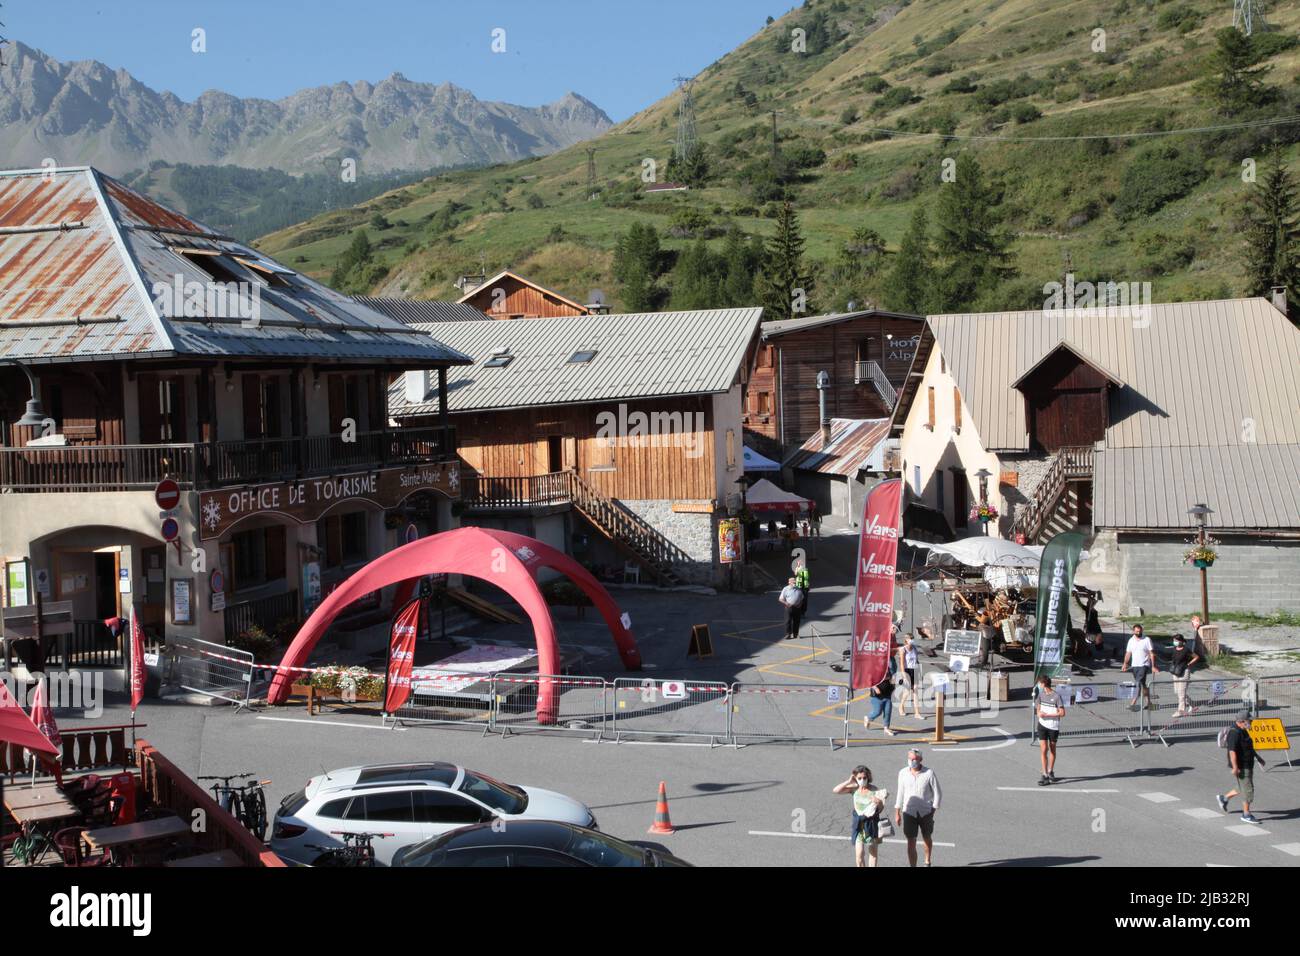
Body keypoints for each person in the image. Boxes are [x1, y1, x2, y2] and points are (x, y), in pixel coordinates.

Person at [832, 766, 888, 867]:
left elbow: (880, 809)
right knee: (859, 854)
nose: (862, 780)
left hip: (871, 824)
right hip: (859, 824)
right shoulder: (854, 789)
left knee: (873, 853)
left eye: (864, 778)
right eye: (859, 778)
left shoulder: (874, 790)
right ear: (855, 778)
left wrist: (879, 802)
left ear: (868, 778)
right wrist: (849, 781)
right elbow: (836, 790)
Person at [894, 748, 941, 867]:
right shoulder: (902, 773)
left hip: (926, 812)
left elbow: (938, 793)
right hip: (909, 812)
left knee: (927, 837)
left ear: (920, 759)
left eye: (914, 759)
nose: (912, 761)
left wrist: (933, 809)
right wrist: (897, 811)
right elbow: (900, 792)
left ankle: (927, 861)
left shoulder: (929, 773)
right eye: (910, 759)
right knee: (911, 841)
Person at [1217, 710, 1265, 824]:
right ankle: (1246, 814)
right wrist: (1235, 767)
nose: (1251, 722)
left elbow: (1248, 746)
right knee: (1248, 790)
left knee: (1242, 786)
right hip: (1242, 765)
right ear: (1241, 721)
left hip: (1248, 763)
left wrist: (1258, 757)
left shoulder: (1243, 730)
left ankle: (1224, 798)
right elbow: (1232, 751)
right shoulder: (1234, 733)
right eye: (1249, 721)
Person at [1035, 675, 1064, 785]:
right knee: (1043, 749)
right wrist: (1039, 713)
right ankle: (1045, 774)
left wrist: (1048, 715)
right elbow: (1038, 706)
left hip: (1053, 726)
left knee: (1052, 749)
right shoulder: (1041, 695)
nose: (1038, 685)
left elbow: (1062, 713)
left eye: (1039, 683)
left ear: (1043, 684)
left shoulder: (1056, 696)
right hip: (1042, 725)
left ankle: (1050, 771)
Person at [1121, 624, 1159, 710]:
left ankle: (1133, 703)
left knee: (1138, 683)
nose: (1139, 632)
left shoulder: (1146, 639)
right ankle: (1149, 703)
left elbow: (1151, 653)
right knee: (1143, 685)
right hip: (1135, 665)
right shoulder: (1131, 640)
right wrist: (1125, 663)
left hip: (1144, 665)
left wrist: (1153, 666)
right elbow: (1128, 653)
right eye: (1137, 631)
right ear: (1134, 631)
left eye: (1140, 631)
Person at [863, 657, 897, 736]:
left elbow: (892, 678)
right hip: (877, 696)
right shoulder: (874, 670)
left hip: (887, 694)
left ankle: (886, 728)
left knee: (888, 712)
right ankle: (868, 718)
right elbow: (869, 681)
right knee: (877, 712)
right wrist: (875, 688)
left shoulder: (889, 670)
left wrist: (893, 683)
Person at [1169, 634, 1201, 716]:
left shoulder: (1186, 650)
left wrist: (1189, 664)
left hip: (1184, 671)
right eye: (1174, 640)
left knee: (1181, 692)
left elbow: (1196, 657)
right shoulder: (1174, 649)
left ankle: (1181, 710)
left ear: (1181, 641)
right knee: (1177, 691)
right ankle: (1192, 704)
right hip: (1176, 672)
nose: (1175, 642)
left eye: (1176, 640)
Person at [896, 634, 924, 719]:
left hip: (914, 670)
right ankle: (901, 706)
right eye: (910, 638)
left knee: (915, 691)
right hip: (907, 670)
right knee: (907, 691)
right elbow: (901, 663)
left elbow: (917, 660)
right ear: (906, 640)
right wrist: (903, 674)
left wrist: (919, 672)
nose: (912, 640)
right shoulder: (903, 649)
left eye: (912, 638)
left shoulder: (914, 648)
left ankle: (917, 713)